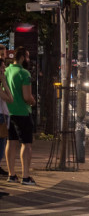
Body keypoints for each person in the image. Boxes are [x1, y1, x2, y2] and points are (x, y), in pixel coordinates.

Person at [5, 47, 36, 185]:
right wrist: (33, 101)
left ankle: (11, 175)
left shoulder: (5, 71)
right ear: (23, 58)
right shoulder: (24, 73)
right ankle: (25, 176)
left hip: (8, 112)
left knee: (10, 142)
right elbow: (26, 97)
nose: (28, 60)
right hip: (22, 112)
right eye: (27, 57)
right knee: (26, 144)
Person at [0, 57, 14, 176]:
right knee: (0, 150)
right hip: (0, 118)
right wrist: (4, 82)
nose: (4, 68)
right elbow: (10, 98)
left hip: (2, 116)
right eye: (2, 67)